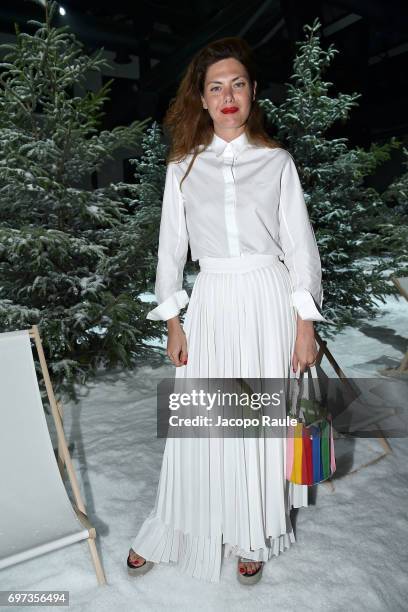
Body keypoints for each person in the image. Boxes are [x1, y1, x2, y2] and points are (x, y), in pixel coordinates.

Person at [127, 36, 328, 585]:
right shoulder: (184, 168)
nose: (228, 94)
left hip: (269, 299)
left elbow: (300, 246)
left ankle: (251, 531)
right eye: (215, 87)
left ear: (253, 91)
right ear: (203, 98)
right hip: (213, 300)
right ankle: (174, 527)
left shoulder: (277, 162)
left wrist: (304, 322)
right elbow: (170, 248)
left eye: (237, 83)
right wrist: (172, 320)